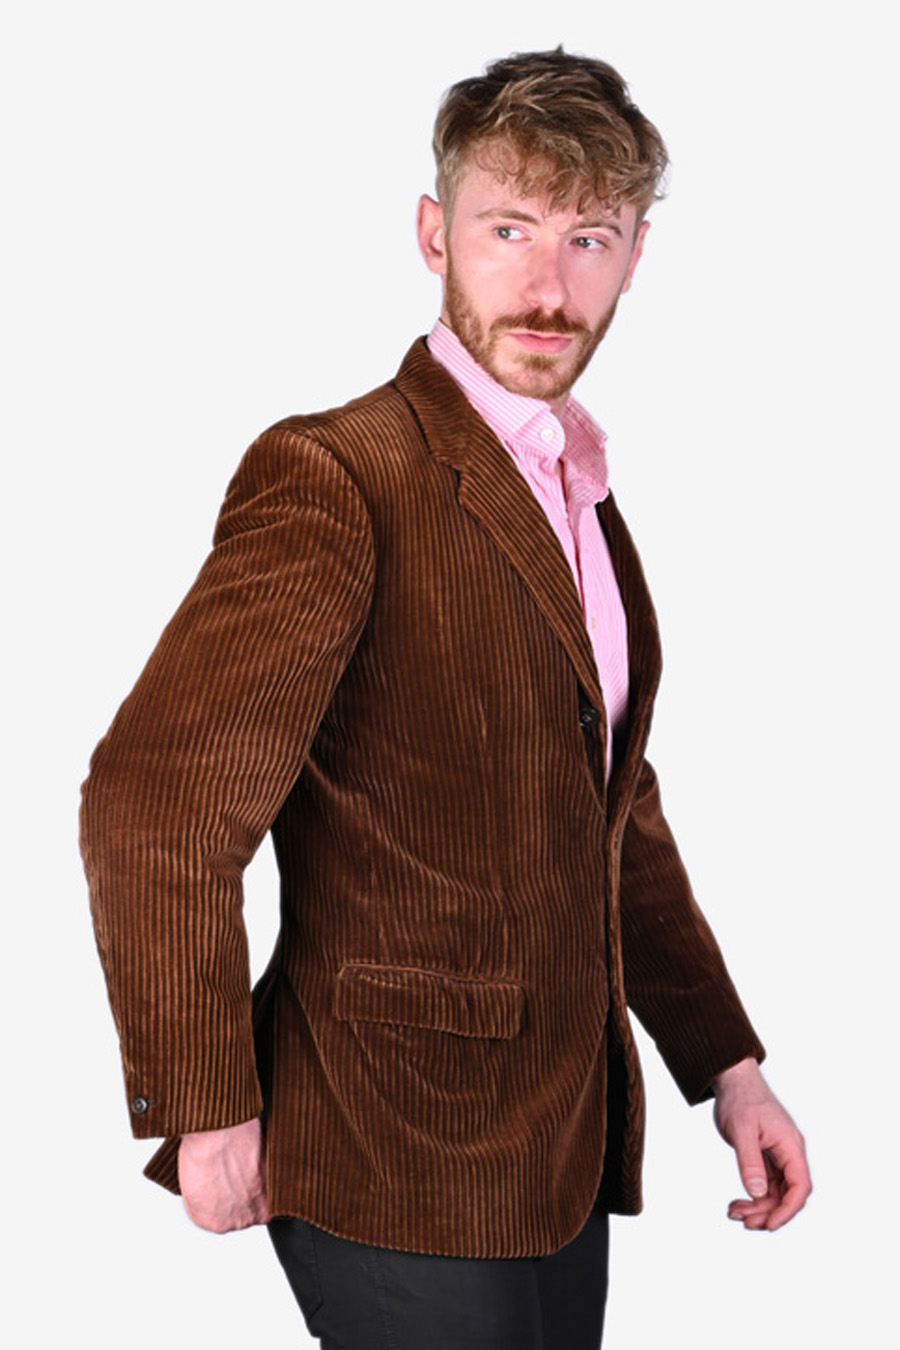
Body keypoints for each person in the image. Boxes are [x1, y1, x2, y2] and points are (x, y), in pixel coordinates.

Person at [80, 47, 811, 1350]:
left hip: (556, 1147)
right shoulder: (338, 473)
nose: (548, 284)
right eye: (509, 228)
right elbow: (158, 801)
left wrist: (728, 1067)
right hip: (386, 1143)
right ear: (435, 234)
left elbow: (610, 801)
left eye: (588, 237)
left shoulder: (573, 488)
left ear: (636, 254)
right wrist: (207, 1101)